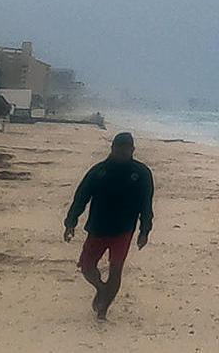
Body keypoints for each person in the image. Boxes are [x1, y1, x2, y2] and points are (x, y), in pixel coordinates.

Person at [64, 132, 155, 319]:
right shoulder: (98, 171)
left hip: (124, 230)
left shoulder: (142, 173)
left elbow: (146, 204)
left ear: (133, 150)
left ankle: (102, 310)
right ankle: (101, 289)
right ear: (112, 148)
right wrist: (70, 222)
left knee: (116, 269)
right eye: (119, 148)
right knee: (87, 267)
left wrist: (144, 230)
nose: (123, 152)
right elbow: (81, 197)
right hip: (98, 227)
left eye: (127, 149)